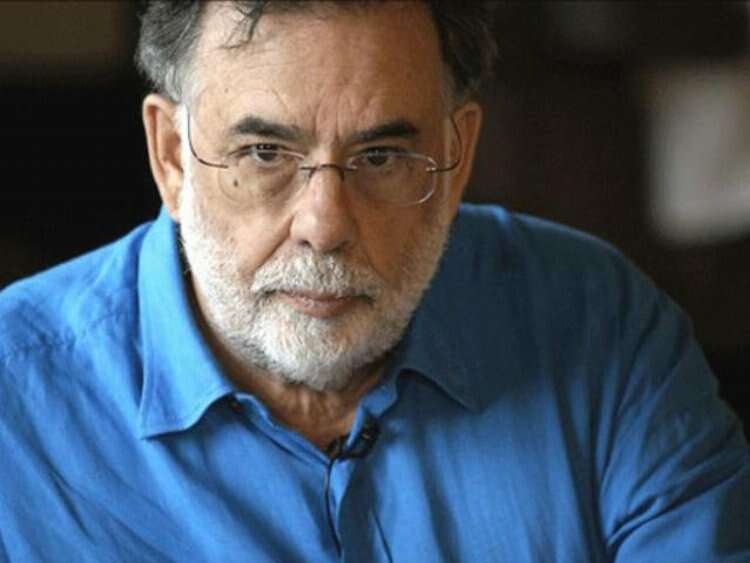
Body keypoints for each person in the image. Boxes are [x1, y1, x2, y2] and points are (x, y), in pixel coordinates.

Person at [0, 1, 748, 561]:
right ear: (171, 155)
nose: (325, 225)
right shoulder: (16, 410)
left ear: (457, 157)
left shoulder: (603, 328)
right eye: (264, 154)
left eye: (382, 157)